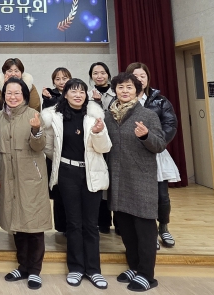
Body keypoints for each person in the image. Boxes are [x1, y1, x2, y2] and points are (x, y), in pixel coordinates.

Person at [42, 78, 111, 290]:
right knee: (73, 223)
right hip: (67, 173)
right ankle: (76, 268)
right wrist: (62, 163)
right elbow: (49, 147)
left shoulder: (95, 117)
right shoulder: (56, 117)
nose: (78, 95)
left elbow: (105, 148)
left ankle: (94, 270)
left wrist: (99, 132)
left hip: (91, 172)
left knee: (90, 224)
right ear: (65, 94)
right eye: (73, 91)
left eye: (81, 91)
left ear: (86, 95)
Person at [105, 72, 165, 292]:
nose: (124, 91)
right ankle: (134, 266)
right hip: (118, 180)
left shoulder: (147, 115)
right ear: (115, 90)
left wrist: (146, 136)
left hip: (141, 179)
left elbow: (159, 145)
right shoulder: (109, 116)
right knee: (125, 228)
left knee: (145, 229)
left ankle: (147, 274)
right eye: (120, 87)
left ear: (138, 91)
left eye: (129, 87)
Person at [0, 77, 51, 290]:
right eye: (9, 93)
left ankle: (35, 270)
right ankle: (23, 266)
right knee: (16, 223)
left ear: (24, 95)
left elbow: (39, 147)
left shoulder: (34, 115)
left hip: (30, 178)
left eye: (17, 93)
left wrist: (36, 130)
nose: (13, 97)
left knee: (33, 225)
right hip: (7, 176)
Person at [126, 62, 180, 250]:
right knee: (138, 196)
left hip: (154, 153)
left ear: (148, 79)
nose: (139, 79)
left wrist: (155, 141)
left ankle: (163, 227)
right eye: (135, 76)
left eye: (143, 76)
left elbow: (170, 125)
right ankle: (148, 233)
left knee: (161, 196)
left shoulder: (160, 101)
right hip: (132, 155)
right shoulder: (122, 101)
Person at [41, 67, 72, 234]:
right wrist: (47, 99)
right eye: (58, 79)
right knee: (59, 190)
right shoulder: (49, 96)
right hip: (54, 149)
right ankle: (61, 226)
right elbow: (48, 116)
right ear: (53, 81)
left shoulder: (75, 93)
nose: (61, 81)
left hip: (72, 147)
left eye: (64, 78)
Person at [88, 62, 116, 234]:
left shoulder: (117, 92)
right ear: (91, 76)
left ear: (108, 74)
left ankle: (120, 222)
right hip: (98, 143)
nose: (99, 76)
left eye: (103, 72)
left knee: (116, 183)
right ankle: (103, 221)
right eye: (95, 73)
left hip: (116, 143)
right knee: (101, 182)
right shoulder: (88, 95)